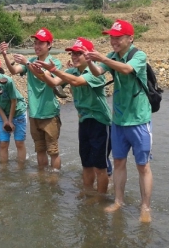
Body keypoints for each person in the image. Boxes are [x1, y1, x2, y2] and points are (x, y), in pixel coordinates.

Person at [84, 19, 154, 223]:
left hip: (139, 120)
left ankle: (145, 208)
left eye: (118, 37)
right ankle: (119, 201)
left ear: (130, 38)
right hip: (119, 120)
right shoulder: (112, 55)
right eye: (111, 37)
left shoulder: (139, 55)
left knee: (143, 166)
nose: (113, 41)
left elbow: (126, 70)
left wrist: (102, 58)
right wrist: (91, 60)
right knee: (119, 162)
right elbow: (98, 72)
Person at [33, 38, 112, 194]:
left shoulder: (94, 72)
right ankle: (88, 191)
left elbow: (76, 82)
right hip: (83, 121)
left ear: (88, 55)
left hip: (100, 123)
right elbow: (55, 83)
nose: (74, 57)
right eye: (73, 53)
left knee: (100, 166)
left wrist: (54, 69)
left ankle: (101, 198)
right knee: (86, 163)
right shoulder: (71, 71)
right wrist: (40, 73)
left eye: (79, 53)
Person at [0, 28, 63, 170]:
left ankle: (54, 179)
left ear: (49, 45)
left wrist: (27, 63)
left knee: (53, 151)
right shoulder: (32, 60)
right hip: (34, 113)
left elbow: (47, 78)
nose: (37, 46)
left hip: (50, 114)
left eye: (41, 43)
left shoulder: (54, 63)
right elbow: (13, 71)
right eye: (35, 43)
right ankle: (42, 177)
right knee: (39, 150)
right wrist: (4, 55)